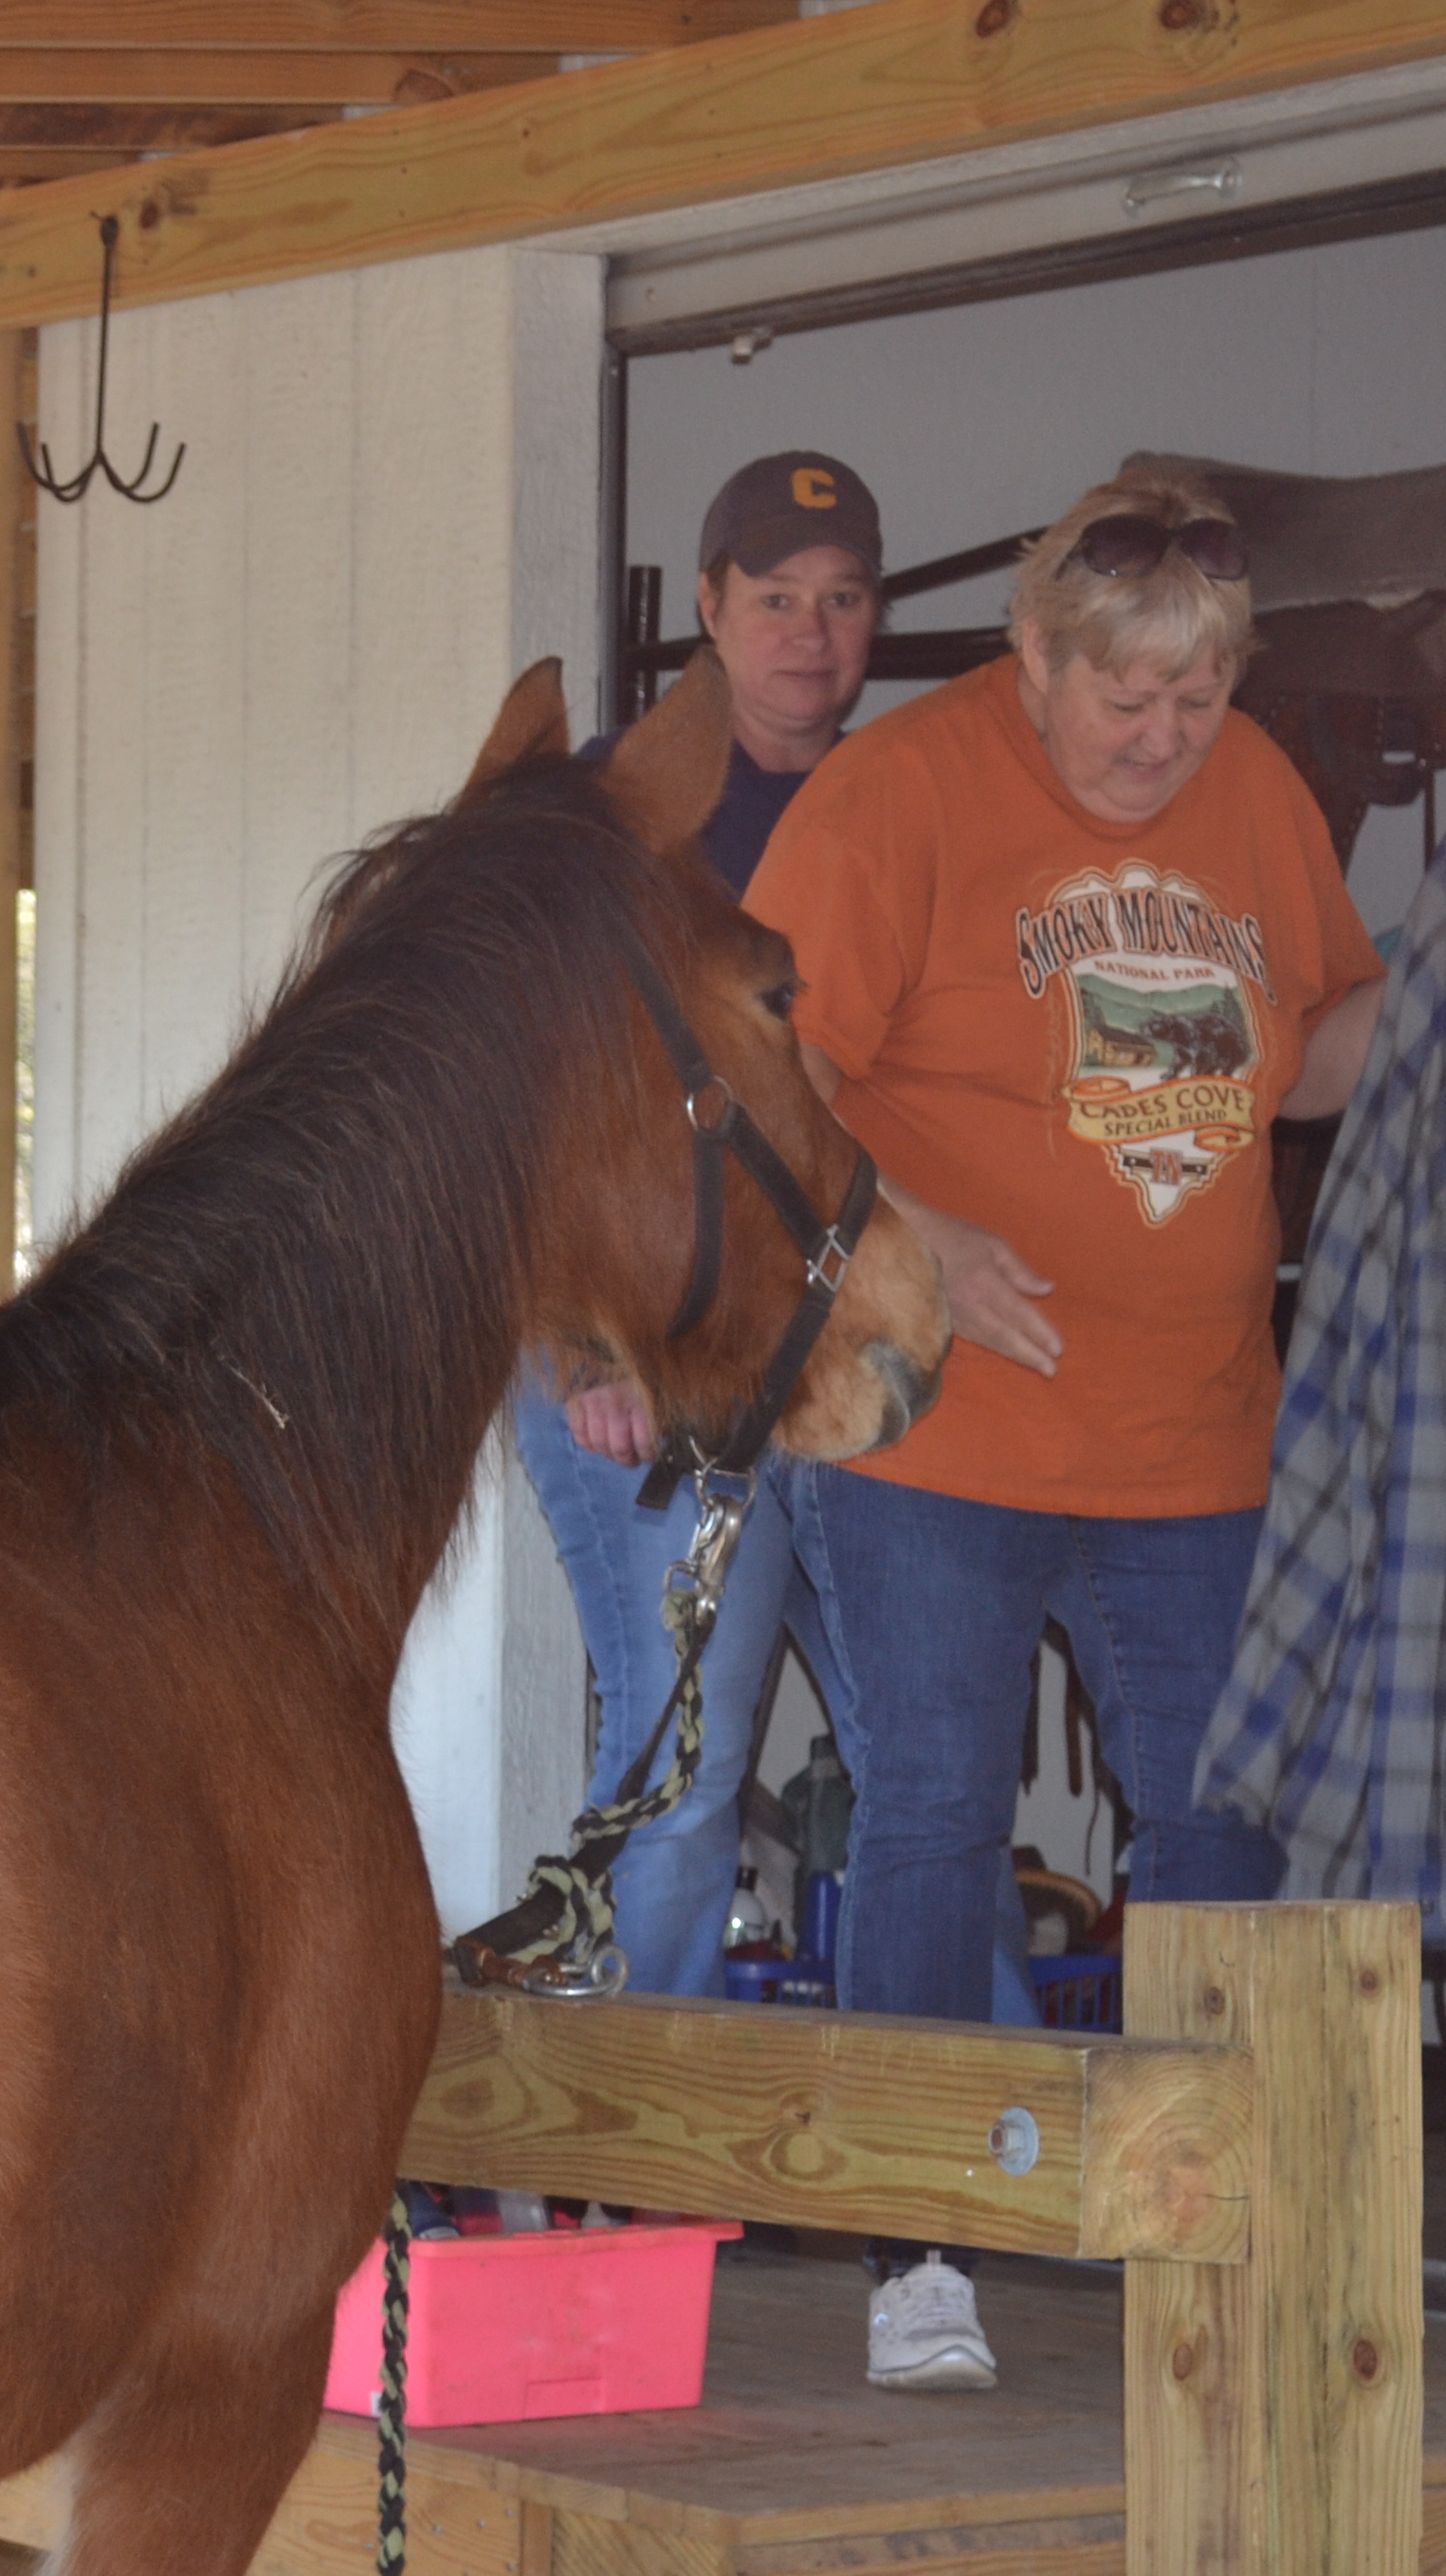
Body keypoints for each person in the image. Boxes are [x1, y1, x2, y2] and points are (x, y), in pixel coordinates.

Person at [746, 466, 1382, 2390]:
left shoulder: (1255, 787)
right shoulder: (897, 793)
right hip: (935, 1427)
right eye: (1123, 698)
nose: (1160, 738)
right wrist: (914, 1232)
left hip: (1191, 1433)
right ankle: (917, 2248)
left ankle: (1197, 2212)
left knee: (1217, 1818)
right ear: (1031, 650)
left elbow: (1321, 1032)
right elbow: (763, 1065)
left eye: (1194, 698)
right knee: (938, 1812)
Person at [511, 449, 888, 1997]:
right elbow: (528, 1109)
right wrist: (583, 1350)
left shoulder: (894, 801)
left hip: (825, 1349)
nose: (812, 633)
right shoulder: (616, 817)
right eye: (777, 599)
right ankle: (627, 2170)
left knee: (910, 1753)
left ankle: (986, 2153)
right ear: (713, 613)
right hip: (643, 1366)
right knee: (686, 1749)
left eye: (845, 599)